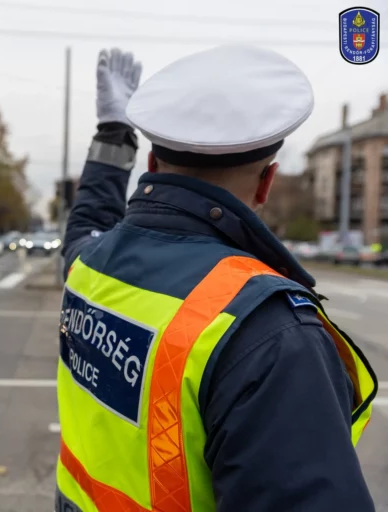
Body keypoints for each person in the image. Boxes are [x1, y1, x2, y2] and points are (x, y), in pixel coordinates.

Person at [55, 46, 377, 512]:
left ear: (150, 166)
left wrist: (112, 132)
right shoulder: (268, 333)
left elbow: (83, 226)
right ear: (266, 182)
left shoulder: (90, 267)